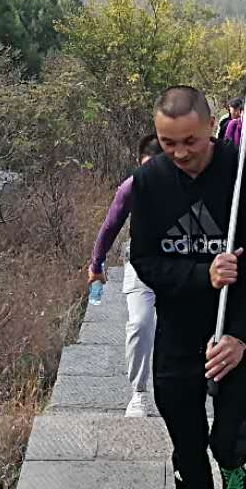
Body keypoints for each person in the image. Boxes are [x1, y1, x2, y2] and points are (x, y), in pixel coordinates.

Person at [130, 85, 246, 489]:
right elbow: (144, 259)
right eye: (168, 143)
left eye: (190, 141)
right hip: (178, 329)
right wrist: (203, 275)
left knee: (230, 441)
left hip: (237, 327)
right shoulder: (149, 181)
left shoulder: (245, 172)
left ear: (212, 126)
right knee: (187, 444)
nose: (179, 153)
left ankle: (233, 467)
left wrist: (240, 337)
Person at [87, 132, 165, 416]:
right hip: (141, 263)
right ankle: (139, 392)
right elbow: (110, 226)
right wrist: (96, 264)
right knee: (140, 324)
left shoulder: (187, 185)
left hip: (181, 266)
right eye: (147, 167)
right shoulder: (132, 187)